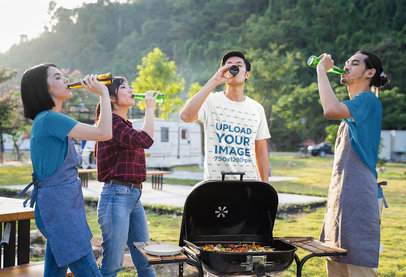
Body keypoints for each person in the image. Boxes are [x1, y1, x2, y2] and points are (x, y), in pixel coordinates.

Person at [19, 64, 112, 276]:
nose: (66, 80)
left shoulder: (47, 120)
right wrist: (104, 93)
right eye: (58, 77)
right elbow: (105, 132)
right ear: (44, 88)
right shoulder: (50, 119)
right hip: (59, 211)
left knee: (54, 272)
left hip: (60, 208)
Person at [315, 51, 389, 276]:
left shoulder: (368, 100)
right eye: (346, 62)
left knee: (358, 268)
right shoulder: (353, 110)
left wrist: (320, 70)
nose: (346, 66)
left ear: (370, 72)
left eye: (354, 63)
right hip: (342, 197)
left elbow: (330, 109)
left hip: (359, 197)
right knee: (336, 263)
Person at [95, 76, 157, 277]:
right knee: (112, 265)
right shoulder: (112, 123)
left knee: (145, 260)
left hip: (133, 197)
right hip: (116, 196)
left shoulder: (124, 124)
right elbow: (145, 140)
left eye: (130, 86)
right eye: (124, 87)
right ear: (111, 97)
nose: (131, 90)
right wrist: (150, 109)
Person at [179, 51, 270, 181]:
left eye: (239, 65)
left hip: (248, 183)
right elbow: (185, 116)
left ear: (247, 74)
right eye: (229, 65)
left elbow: (261, 152)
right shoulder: (210, 101)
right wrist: (214, 81)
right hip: (215, 184)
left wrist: (265, 186)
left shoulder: (257, 109)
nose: (234, 68)